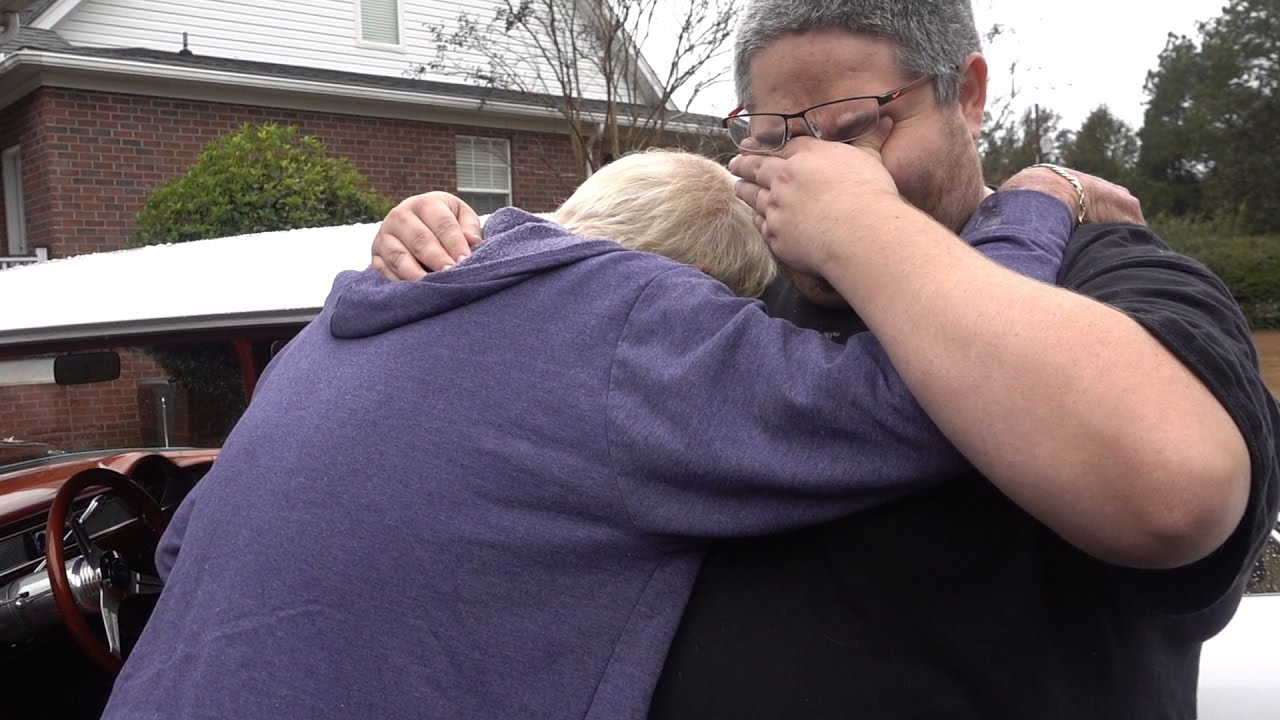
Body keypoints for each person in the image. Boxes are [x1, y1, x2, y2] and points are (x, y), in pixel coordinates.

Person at [367, 2, 1280, 718]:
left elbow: (1171, 491)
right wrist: (441, 237)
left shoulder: (1112, 274)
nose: (806, 168)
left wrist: (862, 226)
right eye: (770, 133)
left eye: (852, 130)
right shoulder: (719, 284)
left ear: (967, 94)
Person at [104, 146, 1098, 720]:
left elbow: (185, 541)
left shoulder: (340, 326)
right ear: (714, 291)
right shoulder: (639, 326)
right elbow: (946, 386)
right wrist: (1034, 203)